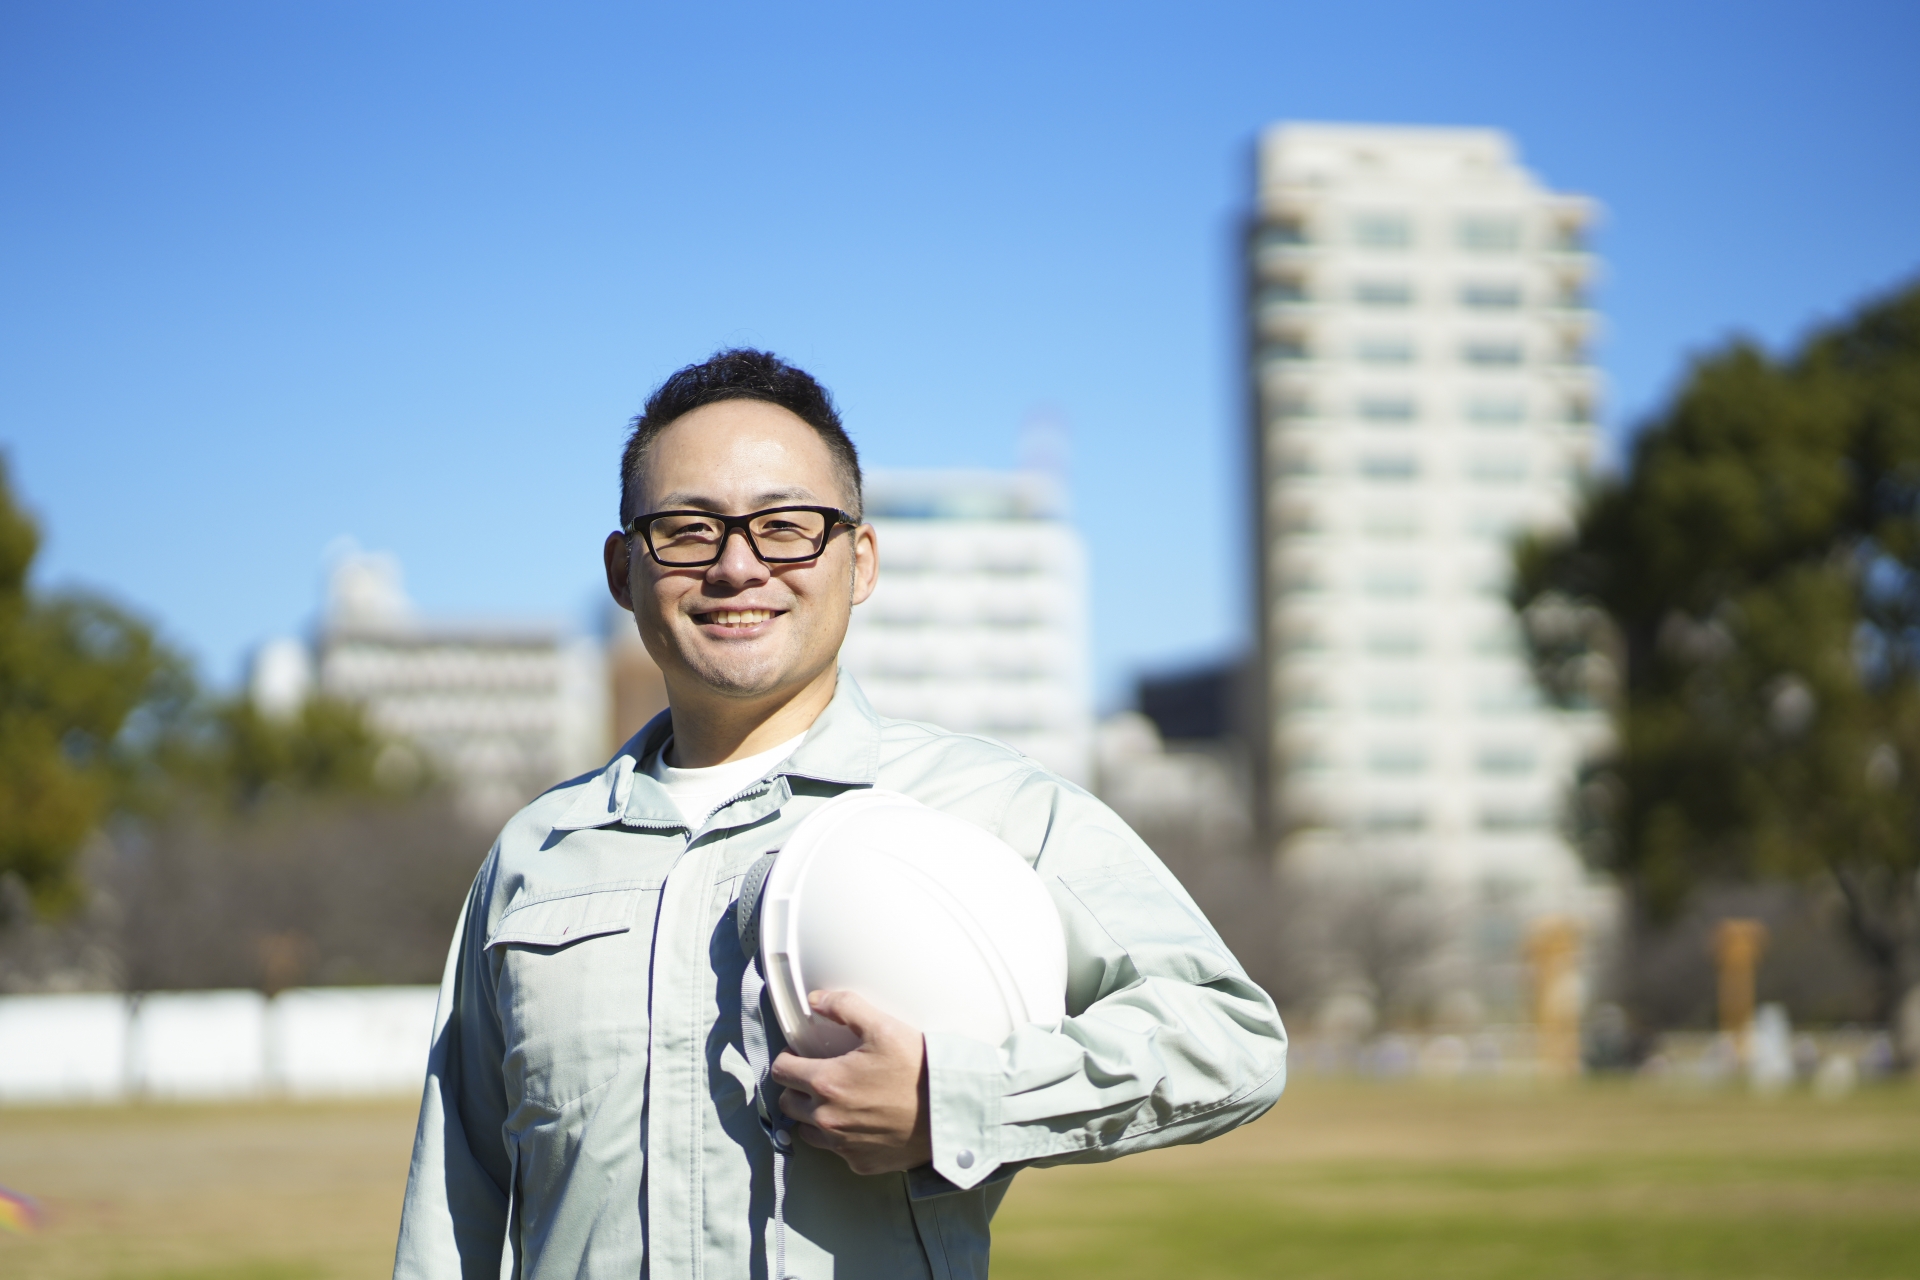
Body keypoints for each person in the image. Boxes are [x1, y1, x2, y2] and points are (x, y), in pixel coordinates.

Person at [392, 349, 1288, 1280]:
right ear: (625, 569)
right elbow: (453, 1214)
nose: (738, 567)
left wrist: (957, 1103)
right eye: (688, 531)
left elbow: (1228, 1034)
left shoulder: (991, 812)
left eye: (785, 527)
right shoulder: (535, 855)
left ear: (858, 561)